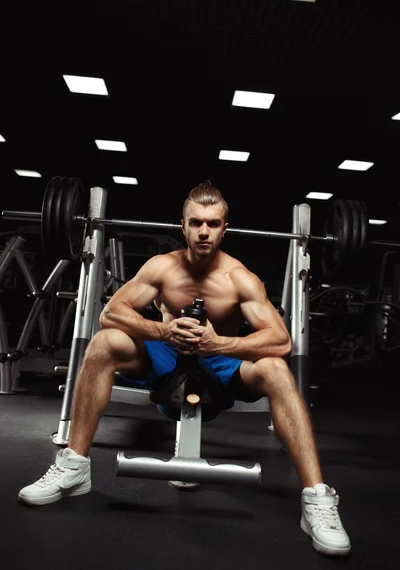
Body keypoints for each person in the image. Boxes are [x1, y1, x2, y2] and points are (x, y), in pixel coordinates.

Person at [18, 180, 351, 557]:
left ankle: (317, 500)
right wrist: (164, 329)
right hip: (164, 357)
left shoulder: (240, 279)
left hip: (220, 366)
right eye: (196, 223)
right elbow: (110, 313)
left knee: (275, 368)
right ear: (183, 226)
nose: (204, 232)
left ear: (225, 227)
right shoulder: (162, 268)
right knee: (104, 341)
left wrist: (218, 343)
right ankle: (74, 467)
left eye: (212, 223)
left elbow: (281, 341)